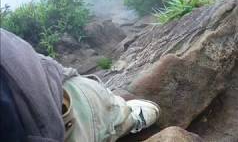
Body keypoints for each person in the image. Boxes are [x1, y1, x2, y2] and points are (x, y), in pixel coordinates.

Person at [0, 28, 160, 142]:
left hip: (56, 99)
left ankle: (120, 115)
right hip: (51, 100)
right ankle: (119, 114)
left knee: (107, 108)